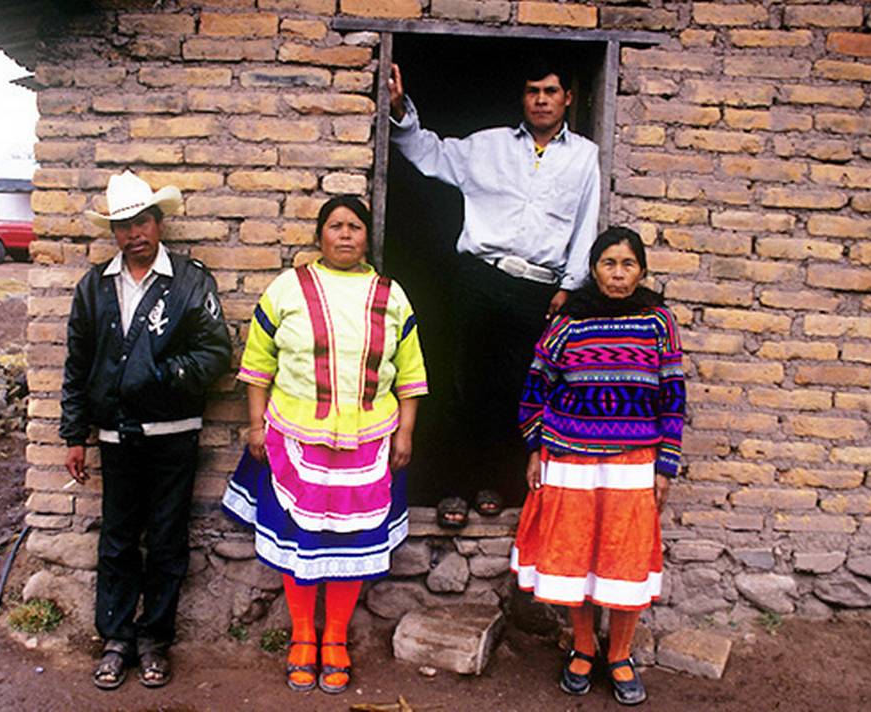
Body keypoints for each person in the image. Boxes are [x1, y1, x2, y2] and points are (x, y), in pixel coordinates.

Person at [221, 195, 428, 694]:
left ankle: (334, 638)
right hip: (296, 439)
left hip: (368, 442)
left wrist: (405, 431)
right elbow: (257, 362)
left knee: (350, 544)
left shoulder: (390, 295)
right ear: (319, 236)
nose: (345, 235)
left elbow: (412, 372)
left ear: (366, 237)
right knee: (301, 543)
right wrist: (255, 427)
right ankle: (301, 638)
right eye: (335, 226)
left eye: (355, 227)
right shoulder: (287, 289)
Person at [388, 57, 600, 527]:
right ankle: (450, 488)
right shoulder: (490, 146)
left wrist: (570, 288)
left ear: (568, 97)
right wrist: (401, 109)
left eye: (550, 91)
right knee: (461, 382)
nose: (541, 99)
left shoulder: (584, 156)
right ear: (522, 99)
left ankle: (494, 486)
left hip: (538, 290)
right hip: (480, 278)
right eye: (532, 91)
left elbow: (587, 224)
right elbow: (430, 153)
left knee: (517, 390)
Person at [59, 170, 232, 691]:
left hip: (173, 433)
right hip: (114, 436)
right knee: (115, 540)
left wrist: (160, 374)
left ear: (159, 224)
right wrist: (74, 435)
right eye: (123, 226)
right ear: (113, 233)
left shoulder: (190, 281)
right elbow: (77, 364)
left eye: (143, 222)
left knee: (165, 540)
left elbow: (216, 352)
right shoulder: (95, 287)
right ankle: (116, 640)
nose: (134, 234)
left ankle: (155, 640)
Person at [510, 227, 685, 706]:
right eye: (609, 263)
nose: (618, 273)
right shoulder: (569, 321)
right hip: (570, 457)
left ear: (642, 270)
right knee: (575, 556)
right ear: (593, 269)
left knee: (624, 560)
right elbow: (536, 384)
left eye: (628, 264)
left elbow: (673, 394)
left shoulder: (657, 321)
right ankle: (584, 646)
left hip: (633, 461)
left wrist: (665, 464)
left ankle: (621, 653)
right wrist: (535, 447)